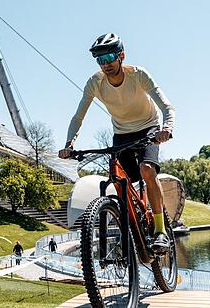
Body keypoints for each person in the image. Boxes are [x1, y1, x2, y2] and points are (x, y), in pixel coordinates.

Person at [59, 33, 175, 253]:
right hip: (121, 134)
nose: (105, 64)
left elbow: (167, 107)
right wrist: (69, 144)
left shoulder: (138, 75)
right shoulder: (95, 83)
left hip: (148, 128)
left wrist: (166, 129)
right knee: (121, 184)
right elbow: (78, 116)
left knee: (147, 170)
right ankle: (131, 227)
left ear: (121, 56)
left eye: (110, 57)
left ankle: (160, 230)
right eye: (100, 60)